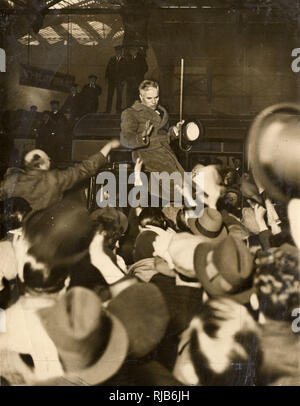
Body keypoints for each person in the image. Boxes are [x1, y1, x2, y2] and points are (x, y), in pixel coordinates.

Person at [0, 139, 120, 212]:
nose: (50, 160)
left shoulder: (10, 181)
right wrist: (107, 147)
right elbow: (84, 169)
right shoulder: (53, 179)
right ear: (42, 164)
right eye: (48, 159)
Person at [120, 80, 185, 201]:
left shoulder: (162, 112)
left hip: (168, 156)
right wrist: (142, 137)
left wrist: (174, 131)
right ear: (141, 96)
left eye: (156, 97)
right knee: (179, 192)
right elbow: (126, 139)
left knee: (184, 190)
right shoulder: (130, 113)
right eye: (149, 98)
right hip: (148, 158)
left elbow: (164, 135)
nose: (154, 102)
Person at [105, 46, 127, 114]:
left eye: (120, 51)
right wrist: (106, 77)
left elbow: (126, 71)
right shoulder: (112, 59)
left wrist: (124, 80)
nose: (118, 52)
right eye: (117, 51)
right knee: (110, 95)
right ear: (115, 52)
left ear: (121, 52)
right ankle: (108, 111)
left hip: (120, 81)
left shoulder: (124, 60)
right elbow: (108, 69)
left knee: (119, 96)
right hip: (111, 80)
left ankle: (118, 110)